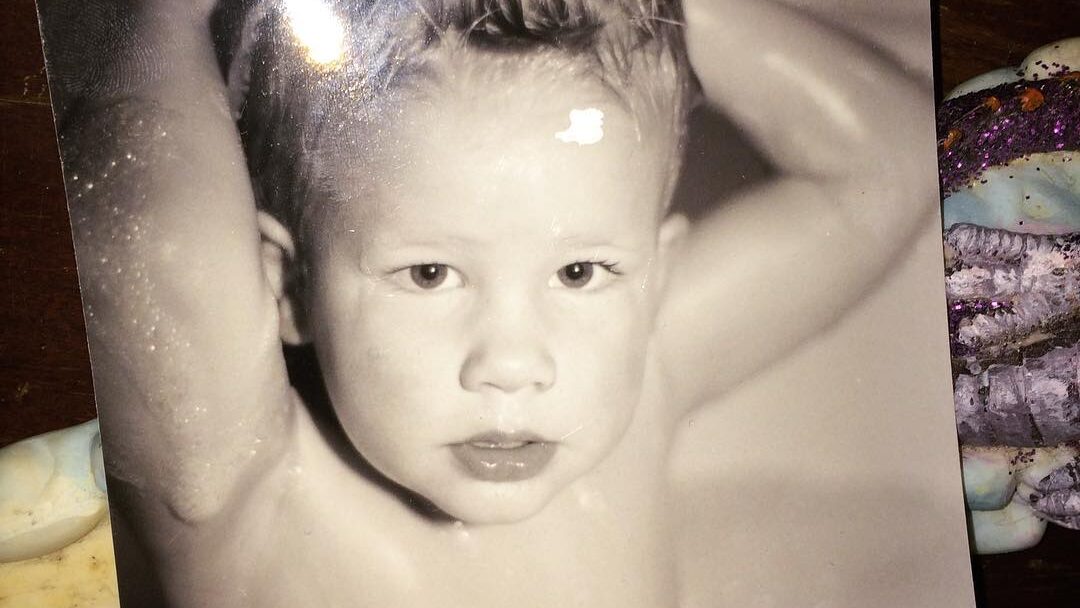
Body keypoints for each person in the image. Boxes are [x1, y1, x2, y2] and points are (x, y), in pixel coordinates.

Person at [35, 0, 936, 605]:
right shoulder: (241, 485)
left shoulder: (642, 384)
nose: (512, 362)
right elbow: (136, 254)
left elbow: (897, 161)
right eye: (430, 274)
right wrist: (168, 16)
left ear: (655, 278)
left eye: (580, 274)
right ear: (285, 286)